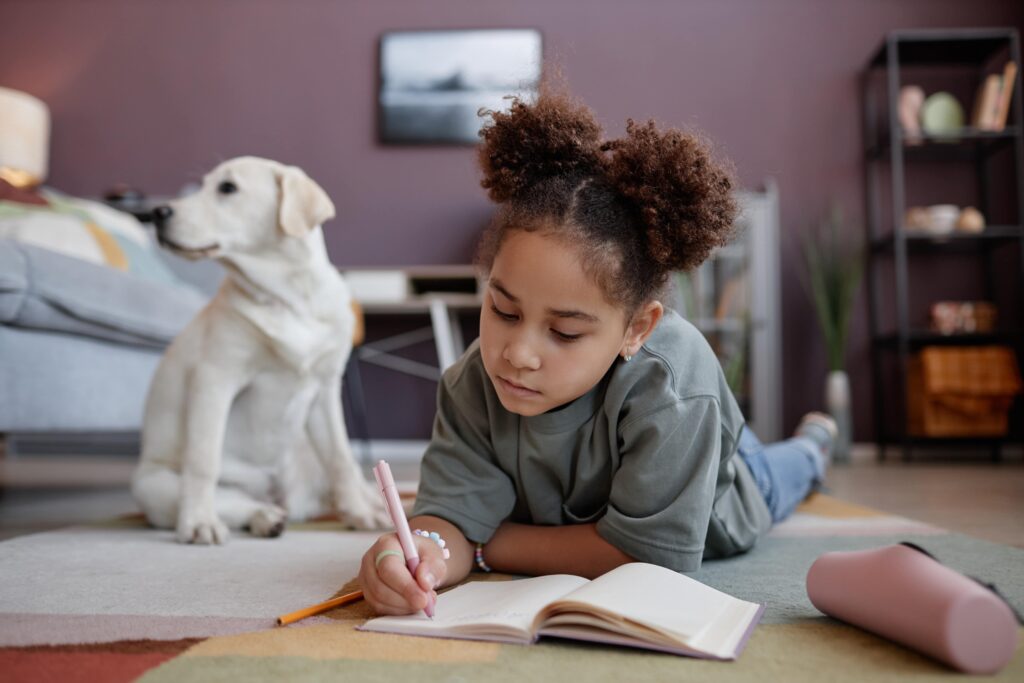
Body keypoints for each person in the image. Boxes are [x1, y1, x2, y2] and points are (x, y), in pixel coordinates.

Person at [357, 89, 837, 616]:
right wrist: (419, 551)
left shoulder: (673, 384)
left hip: (731, 486)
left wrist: (481, 545)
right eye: (504, 311)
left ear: (636, 328)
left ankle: (815, 443)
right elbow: (447, 521)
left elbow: (647, 559)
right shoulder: (471, 382)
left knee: (785, 473)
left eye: (563, 332)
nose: (517, 354)